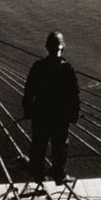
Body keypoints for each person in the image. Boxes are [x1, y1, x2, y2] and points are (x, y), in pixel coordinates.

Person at [22, 31, 80, 185]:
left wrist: (28, 110)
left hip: (40, 114)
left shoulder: (38, 66)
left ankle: (38, 175)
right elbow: (74, 95)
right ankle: (59, 175)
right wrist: (74, 115)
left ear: (47, 47)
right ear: (63, 47)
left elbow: (28, 91)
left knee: (38, 145)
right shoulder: (67, 69)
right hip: (60, 116)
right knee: (60, 146)